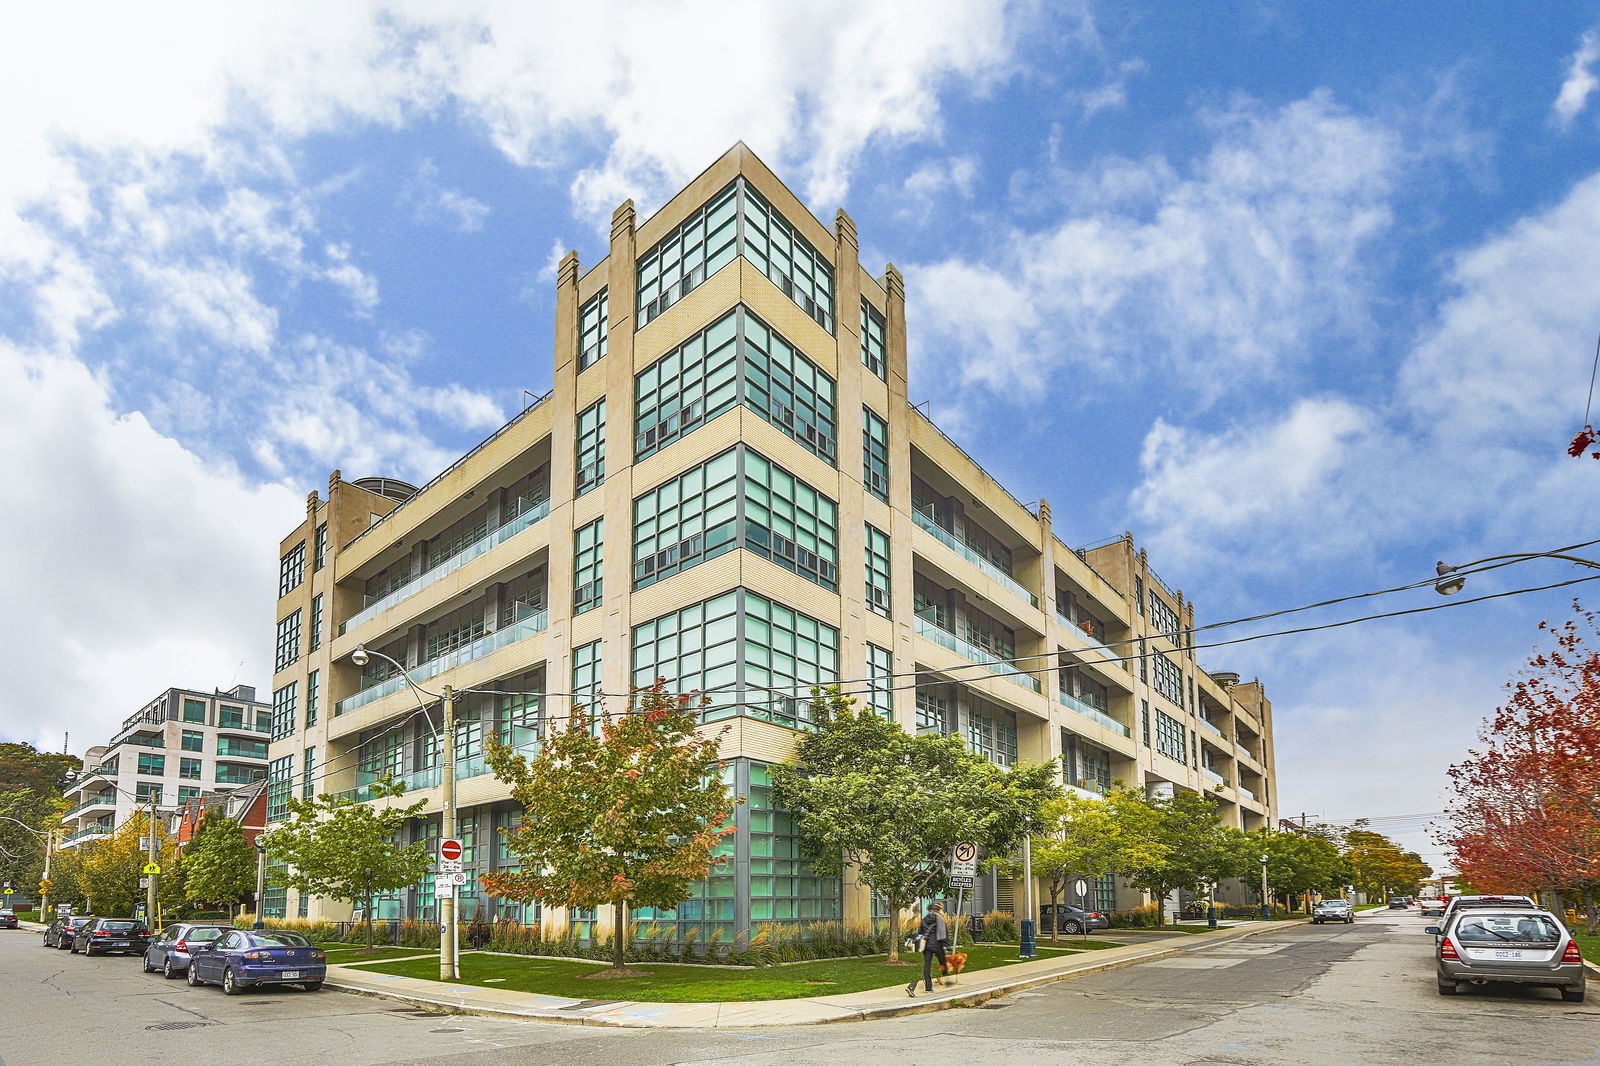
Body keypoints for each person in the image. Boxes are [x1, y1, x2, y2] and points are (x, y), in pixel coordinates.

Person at [905, 901, 950, 997]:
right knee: (943, 961)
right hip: (937, 944)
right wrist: (947, 945)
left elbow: (920, 931)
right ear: (938, 910)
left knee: (927, 966)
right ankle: (944, 972)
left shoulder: (925, 919)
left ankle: (928, 988)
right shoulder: (939, 918)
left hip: (926, 945)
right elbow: (943, 932)